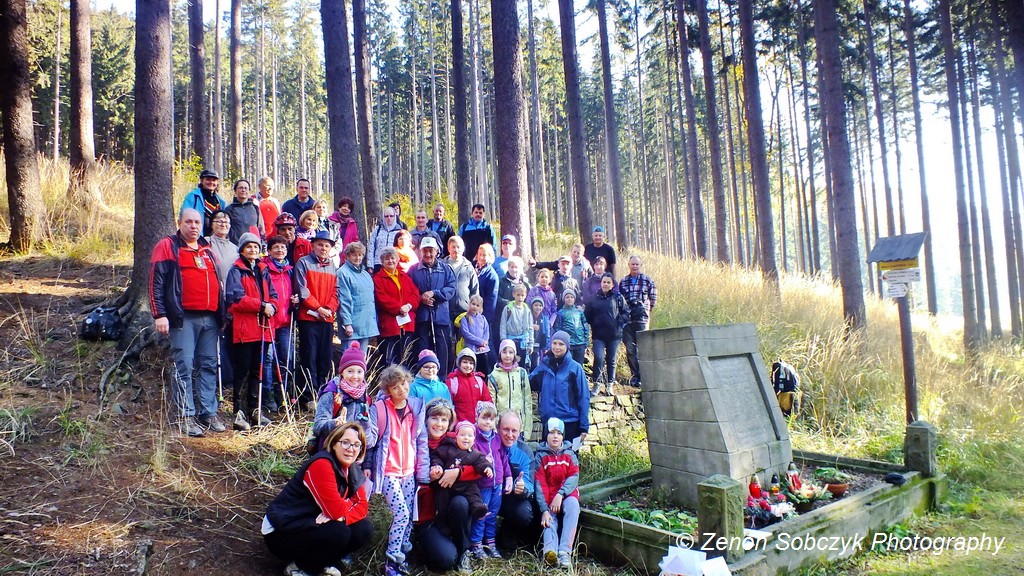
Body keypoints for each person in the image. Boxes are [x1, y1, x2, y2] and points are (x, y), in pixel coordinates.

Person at [263, 423, 373, 576]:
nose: (351, 449)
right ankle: (301, 568)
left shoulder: (352, 468)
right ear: (334, 443)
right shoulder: (322, 464)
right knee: (339, 532)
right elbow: (336, 511)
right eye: (345, 442)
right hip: (282, 530)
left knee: (363, 529)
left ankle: (324, 563)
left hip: (310, 522)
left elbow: (362, 506)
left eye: (356, 445)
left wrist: (342, 516)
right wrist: (344, 509)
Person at [150, 208, 223, 436]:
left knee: (208, 365)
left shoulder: (206, 248)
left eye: (197, 222)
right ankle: (185, 415)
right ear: (179, 223)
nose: (193, 226)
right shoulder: (168, 246)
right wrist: (159, 314)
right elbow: (156, 282)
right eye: (189, 222)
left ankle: (208, 412)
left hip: (210, 317)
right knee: (184, 366)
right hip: (183, 318)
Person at [365, 365, 430, 576]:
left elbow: (421, 441)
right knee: (401, 514)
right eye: (395, 387)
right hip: (389, 471)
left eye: (403, 384)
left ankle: (403, 554)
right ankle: (391, 561)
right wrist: (363, 426)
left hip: (409, 471)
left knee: (409, 515)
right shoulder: (379, 409)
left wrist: (423, 473)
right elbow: (371, 441)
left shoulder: (415, 407)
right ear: (388, 390)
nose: (401, 389)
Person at [414, 398, 477, 573]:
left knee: (461, 503)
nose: (439, 424)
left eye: (444, 420)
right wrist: (429, 479)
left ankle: (464, 550)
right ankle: (424, 544)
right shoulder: (416, 442)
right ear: (426, 419)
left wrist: (458, 472)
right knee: (445, 559)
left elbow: (479, 464)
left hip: (450, 508)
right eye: (434, 418)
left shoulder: (456, 441)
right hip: (426, 514)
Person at [225, 233, 278, 431]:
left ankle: (255, 409)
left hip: (263, 329)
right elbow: (235, 299)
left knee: (258, 370)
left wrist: (273, 306)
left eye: (255, 247)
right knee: (243, 371)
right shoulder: (236, 271)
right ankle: (239, 412)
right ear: (241, 249)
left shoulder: (263, 270)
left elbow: (273, 295)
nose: (253, 250)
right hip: (244, 330)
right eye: (248, 247)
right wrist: (262, 306)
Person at [294, 231, 340, 410]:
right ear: (313, 245)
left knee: (325, 358)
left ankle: (323, 393)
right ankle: (309, 396)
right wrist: (318, 308)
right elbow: (302, 290)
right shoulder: (303, 263)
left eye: (327, 245)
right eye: (320, 244)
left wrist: (328, 309)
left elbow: (336, 292)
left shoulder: (333, 266)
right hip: (308, 318)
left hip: (326, 319)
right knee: (309, 357)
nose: (323, 248)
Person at [534, 417, 581, 569]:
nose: (555, 436)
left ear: (563, 436)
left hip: (566, 494)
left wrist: (561, 494)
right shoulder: (541, 456)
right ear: (546, 434)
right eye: (552, 432)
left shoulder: (569, 454)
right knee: (549, 519)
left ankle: (564, 552)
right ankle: (550, 553)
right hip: (549, 497)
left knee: (573, 506)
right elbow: (540, 484)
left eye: (559, 433)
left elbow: (574, 476)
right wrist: (544, 510)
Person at [531, 331, 589, 447]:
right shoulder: (544, 365)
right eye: (554, 343)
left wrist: (584, 427)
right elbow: (528, 383)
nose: (557, 347)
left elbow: (583, 397)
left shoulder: (575, 368)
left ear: (567, 346)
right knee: (548, 456)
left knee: (571, 456)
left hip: (570, 422)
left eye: (561, 344)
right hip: (549, 422)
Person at [409, 237, 458, 373]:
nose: (428, 254)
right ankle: (423, 378)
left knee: (443, 350)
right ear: (420, 251)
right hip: (422, 317)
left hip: (441, 317)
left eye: (431, 251)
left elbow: (451, 289)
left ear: (436, 251)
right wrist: (421, 298)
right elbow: (409, 291)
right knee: (422, 350)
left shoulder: (446, 269)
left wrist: (434, 293)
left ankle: (443, 379)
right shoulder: (413, 270)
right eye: (425, 251)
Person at [262, 235, 299, 410]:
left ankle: (282, 392)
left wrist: (296, 300)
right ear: (269, 251)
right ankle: (268, 395)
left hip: (285, 321)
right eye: (276, 247)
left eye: (283, 247)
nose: (279, 250)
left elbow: (295, 291)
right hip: (268, 320)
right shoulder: (264, 269)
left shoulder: (290, 270)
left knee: (287, 358)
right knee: (268, 359)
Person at [470, 401, 511, 559]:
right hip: (483, 484)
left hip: (497, 484)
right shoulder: (474, 438)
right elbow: (470, 458)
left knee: (492, 514)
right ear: (477, 417)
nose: (488, 422)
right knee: (481, 514)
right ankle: (477, 544)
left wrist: (508, 476)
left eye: (491, 419)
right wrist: (482, 461)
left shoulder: (496, 438)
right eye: (484, 418)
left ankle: (491, 543)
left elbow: (503, 458)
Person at [430, 419, 493, 522]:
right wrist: (437, 465)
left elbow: (482, 462)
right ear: (456, 437)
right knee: (441, 498)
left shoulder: (475, 454)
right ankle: (441, 520)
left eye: (470, 436)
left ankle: (477, 508)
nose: (466, 438)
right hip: (447, 484)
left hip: (466, 485)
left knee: (473, 493)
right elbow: (436, 456)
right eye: (462, 435)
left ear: (474, 440)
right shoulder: (448, 449)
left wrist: (486, 468)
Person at [495, 410, 539, 553]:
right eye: (506, 429)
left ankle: (507, 534)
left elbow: (529, 485)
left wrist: (521, 488)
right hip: (490, 494)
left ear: (520, 432)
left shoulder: (525, 452)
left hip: (512, 498)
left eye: (514, 431)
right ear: (498, 428)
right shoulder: (490, 446)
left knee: (524, 513)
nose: (510, 434)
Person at [313, 343, 371, 450]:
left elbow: (369, 441)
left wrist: (366, 425)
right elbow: (317, 426)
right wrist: (335, 424)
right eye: (350, 371)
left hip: (354, 453)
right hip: (330, 450)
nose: (355, 376)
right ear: (342, 372)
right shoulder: (331, 393)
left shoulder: (365, 397)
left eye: (359, 372)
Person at [373, 247, 420, 368]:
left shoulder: (404, 276)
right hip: (389, 326)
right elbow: (381, 299)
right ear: (382, 261)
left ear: (397, 259)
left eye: (393, 258)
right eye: (387, 259)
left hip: (407, 325)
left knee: (406, 359)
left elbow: (415, 293)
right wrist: (399, 308)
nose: (390, 261)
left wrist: (408, 306)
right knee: (390, 361)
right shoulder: (378, 278)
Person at [584, 273, 627, 394]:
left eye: (608, 282)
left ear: (612, 285)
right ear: (601, 283)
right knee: (599, 358)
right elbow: (587, 315)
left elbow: (626, 312)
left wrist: (619, 323)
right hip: (598, 335)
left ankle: (610, 384)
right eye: (604, 282)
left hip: (614, 335)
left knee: (611, 359)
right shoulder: (593, 299)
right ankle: (597, 384)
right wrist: (595, 324)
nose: (606, 284)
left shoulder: (618, 297)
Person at [618, 255, 657, 387]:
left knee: (643, 349)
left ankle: (646, 376)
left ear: (640, 265)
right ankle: (635, 376)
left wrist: (646, 310)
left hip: (642, 319)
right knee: (630, 349)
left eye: (637, 264)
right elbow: (620, 300)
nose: (634, 266)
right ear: (628, 265)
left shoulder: (647, 280)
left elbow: (653, 298)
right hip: (628, 320)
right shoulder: (623, 281)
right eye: (632, 264)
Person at [336, 242, 378, 351]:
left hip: (366, 324)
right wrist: (347, 324)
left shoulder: (366, 274)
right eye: (354, 255)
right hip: (351, 327)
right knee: (350, 359)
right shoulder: (343, 273)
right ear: (347, 256)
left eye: (360, 255)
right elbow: (344, 300)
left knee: (362, 359)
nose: (358, 258)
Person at [488, 340, 533, 442]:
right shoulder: (494, 376)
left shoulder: (521, 373)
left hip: (518, 425)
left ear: (515, 354)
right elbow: (492, 404)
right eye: (504, 352)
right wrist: (494, 427)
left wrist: (527, 429)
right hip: (501, 426)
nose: (507, 355)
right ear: (500, 354)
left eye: (511, 352)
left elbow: (527, 401)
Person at [445, 348, 493, 424]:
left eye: (471, 363)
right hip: (461, 425)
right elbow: (448, 406)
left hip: (478, 425)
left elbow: (488, 403)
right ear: (459, 363)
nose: (468, 365)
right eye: (465, 362)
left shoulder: (479, 381)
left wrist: (487, 422)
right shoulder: (452, 382)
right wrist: (455, 423)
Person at [445, 236, 480, 325]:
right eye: (453, 247)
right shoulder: (442, 266)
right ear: (448, 248)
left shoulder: (469, 267)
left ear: (463, 248)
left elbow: (475, 290)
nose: (456, 250)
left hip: (464, 311)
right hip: (446, 310)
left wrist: (474, 309)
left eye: (458, 247)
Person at [180, 169, 225, 235]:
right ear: (201, 181)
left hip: (215, 238)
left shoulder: (221, 202)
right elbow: (184, 215)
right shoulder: (193, 196)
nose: (211, 182)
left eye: (214, 180)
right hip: (196, 236)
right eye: (208, 179)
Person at [499, 284, 533, 369]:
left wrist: (530, 344)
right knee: (510, 363)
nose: (520, 297)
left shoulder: (527, 310)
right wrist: (503, 340)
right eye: (518, 295)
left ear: (525, 295)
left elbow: (530, 327)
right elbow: (503, 324)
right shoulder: (508, 308)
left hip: (523, 341)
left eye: (522, 295)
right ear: (513, 294)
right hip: (511, 340)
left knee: (522, 366)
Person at [554, 290, 589, 370]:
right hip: (568, 344)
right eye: (567, 297)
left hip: (580, 343)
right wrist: (561, 342)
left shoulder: (579, 312)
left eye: (571, 297)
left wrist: (586, 340)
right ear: (564, 299)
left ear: (574, 299)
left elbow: (585, 325)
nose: (569, 299)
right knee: (566, 365)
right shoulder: (561, 313)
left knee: (578, 366)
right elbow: (558, 328)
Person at [460, 295, 493, 375]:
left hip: (482, 350)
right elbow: (466, 334)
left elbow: (486, 332)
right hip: (471, 349)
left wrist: (483, 344)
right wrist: (480, 342)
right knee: (472, 372)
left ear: (480, 307)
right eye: (473, 304)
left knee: (484, 372)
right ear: (469, 304)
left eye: (477, 305)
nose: (475, 307)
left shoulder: (483, 318)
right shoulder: (465, 318)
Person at [224, 179, 263, 245]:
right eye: (240, 188)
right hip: (235, 245)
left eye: (246, 188)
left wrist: (263, 245)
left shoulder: (255, 208)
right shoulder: (229, 209)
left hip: (253, 246)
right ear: (235, 191)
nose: (243, 190)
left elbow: (261, 228)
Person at [205, 210, 236, 288]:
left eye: (226, 222)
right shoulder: (205, 243)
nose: (223, 225)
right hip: (212, 287)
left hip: (232, 289)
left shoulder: (235, 249)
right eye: (219, 221)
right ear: (211, 224)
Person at [367, 206, 404, 271]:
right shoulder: (377, 229)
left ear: (395, 217)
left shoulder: (399, 231)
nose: (389, 218)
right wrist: (370, 265)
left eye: (391, 216)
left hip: (393, 264)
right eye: (386, 216)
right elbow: (371, 247)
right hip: (378, 264)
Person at [529, 296, 551, 370]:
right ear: (532, 306)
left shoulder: (544, 318)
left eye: (540, 305)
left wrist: (546, 347)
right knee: (527, 364)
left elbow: (547, 333)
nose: (538, 307)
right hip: (528, 344)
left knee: (535, 364)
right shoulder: (528, 316)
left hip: (538, 345)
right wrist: (531, 326)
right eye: (536, 305)